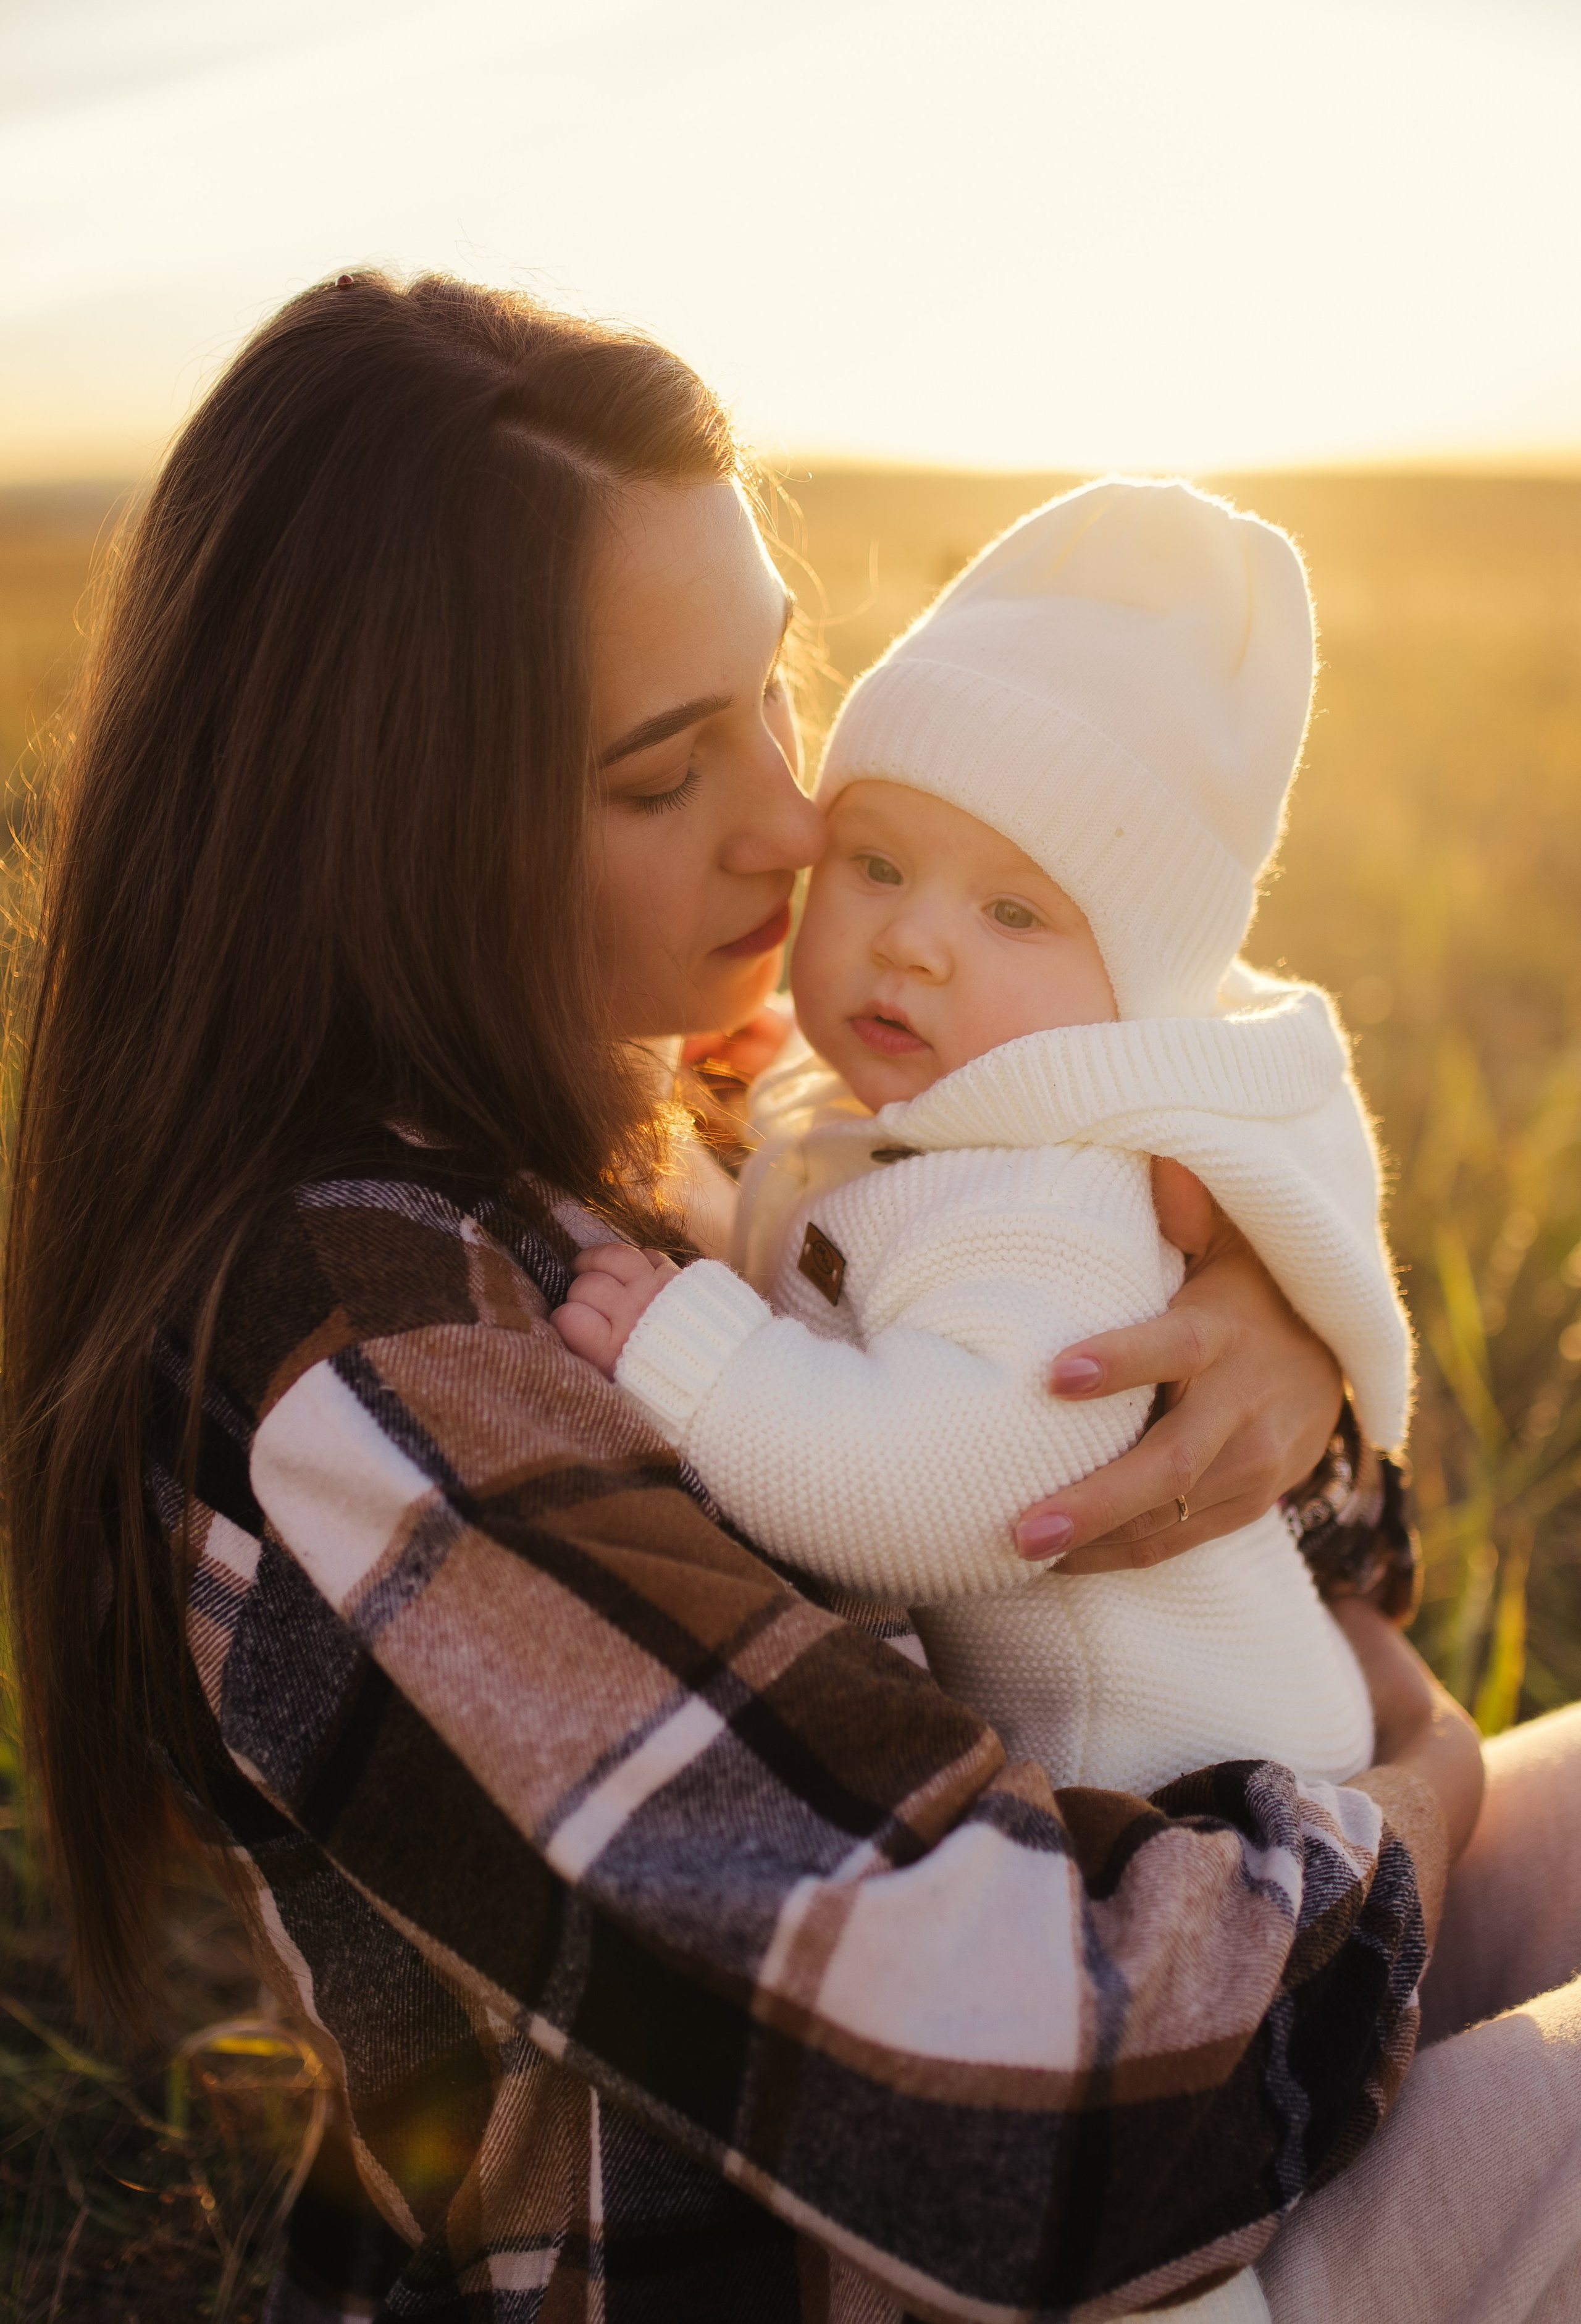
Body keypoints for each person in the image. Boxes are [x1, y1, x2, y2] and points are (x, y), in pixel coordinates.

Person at [0, 271, 1554, 2324]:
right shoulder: (369, 1371)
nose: (798, 818)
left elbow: (1294, 1568)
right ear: (393, 831)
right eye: (663, 774)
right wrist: (1410, 1810)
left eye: (778, 695)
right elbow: (1032, 2125)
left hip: (1144, 1936)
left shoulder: (677, 1119)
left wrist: (1248, 1343)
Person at [554, 477, 1404, 1807]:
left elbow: (948, 1482)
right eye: (878, 866)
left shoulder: (1050, 1202)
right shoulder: (943, 1114)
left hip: (1215, 1815)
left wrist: (698, 1364)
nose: (912, 940)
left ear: (1132, 989)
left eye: (1013, 913)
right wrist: (794, 1084)